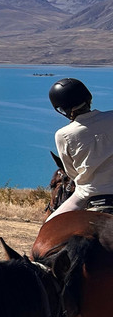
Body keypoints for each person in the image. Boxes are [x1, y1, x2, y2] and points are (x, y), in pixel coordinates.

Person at [47, 77, 113, 220]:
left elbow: (71, 173)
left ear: (62, 109)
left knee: (49, 223)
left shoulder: (63, 135)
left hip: (88, 194)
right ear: (88, 97)